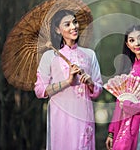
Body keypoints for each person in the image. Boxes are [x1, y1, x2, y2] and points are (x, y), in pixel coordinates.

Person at [34, 9, 103, 150]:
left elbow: (98, 89)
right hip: (60, 117)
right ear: (57, 30)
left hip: (84, 115)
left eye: (75, 22)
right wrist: (67, 82)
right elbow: (40, 91)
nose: (73, 27)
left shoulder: (90, 55)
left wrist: (90, 83)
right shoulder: (50, 57)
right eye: (67, 24)